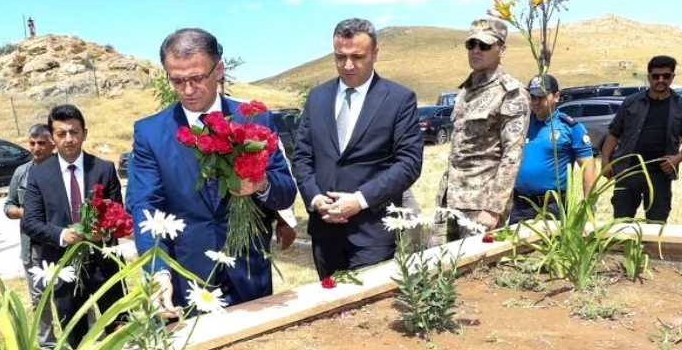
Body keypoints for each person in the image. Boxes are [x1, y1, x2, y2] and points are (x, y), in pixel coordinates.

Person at [127, 28, 298, 310]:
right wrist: (158, 270)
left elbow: (286, 192)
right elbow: (146, 206)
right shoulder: (150, 133)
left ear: (218, 69)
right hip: (186, 280)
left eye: (196, 78)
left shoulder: (254, 119)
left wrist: (262, 185)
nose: (188, 90)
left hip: (249, 273)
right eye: (177, 80)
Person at [291, 18, 422, 277]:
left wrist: (360, 200)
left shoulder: (398, 99)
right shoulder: (317, 97)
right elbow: (302, 156)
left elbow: (409, 164)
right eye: (340, 56)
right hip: (324, 231)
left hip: (372, 232)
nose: (348, 65)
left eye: (357, 56)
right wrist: (316, 199)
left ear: (375, 54)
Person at [23, 104, 127, 348]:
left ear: (84, 133)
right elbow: (31, 222)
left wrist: (104, 230)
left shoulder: (103, 168)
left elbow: (119, 214)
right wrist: (61, 235)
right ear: (52, 137)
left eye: (74, 132)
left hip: (105, 265)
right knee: (76, 338)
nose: (69, 139)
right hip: (64, 267)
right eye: (61, 134)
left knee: (121, 328)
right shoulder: (39, 175)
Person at [436, 18, 529, 236]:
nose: (476, 50)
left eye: (485, 46)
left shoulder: (511, 93)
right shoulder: (465, 92)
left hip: (481, 205)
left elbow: (512, 155)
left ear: (501, 49)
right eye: (471, 45)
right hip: (450, 198)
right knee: (440, 266)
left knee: (477, 268)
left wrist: (494, 208)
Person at [600, 55, 682, 223]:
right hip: (628, 171)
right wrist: (605, 160)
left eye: (666, 76)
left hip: (660, 175)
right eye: (656, 76)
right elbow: (614, 133)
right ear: (649, 77)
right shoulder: (632, 102)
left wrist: (678, 158)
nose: (661, 80)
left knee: (657, 223)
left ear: (672, 77)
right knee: (621, 223)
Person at [509, 74, 595, 224]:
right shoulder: (522, 125)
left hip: (553, 206)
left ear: (556, 96)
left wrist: (589, 207)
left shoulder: (570, 128)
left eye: (541, 97)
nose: (535, 102)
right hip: (521, 205)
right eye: (532, 97)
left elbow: (588, 168)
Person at [4, 124, 57, 348]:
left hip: (60, 243)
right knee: (39, 298)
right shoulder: (22, 173)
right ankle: (47, 344)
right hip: (33, 247)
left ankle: (82, 336)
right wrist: (25, 212)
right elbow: (8, 206)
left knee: (71, 294)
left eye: (41, 143)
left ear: (51, 143)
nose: (36, 148)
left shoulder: (61, 169)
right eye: (32, 143)